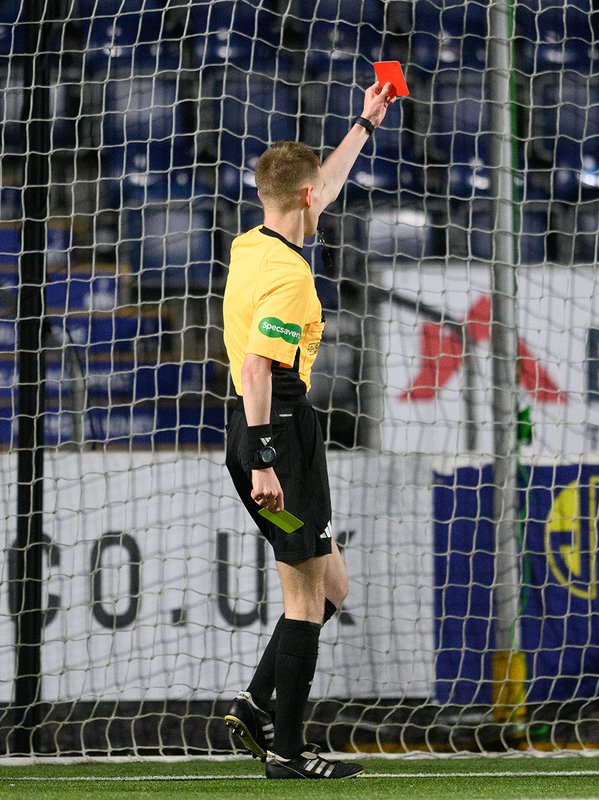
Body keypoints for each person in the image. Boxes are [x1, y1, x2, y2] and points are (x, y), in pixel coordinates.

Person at [219, 80, 395, 780]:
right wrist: (267, 461)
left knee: (331, 589)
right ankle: (288, 752)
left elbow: (321, 184)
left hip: (268, 426)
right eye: (317, 190)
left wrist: (365, 123)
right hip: (277, 430)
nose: (325, 196)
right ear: (304, 199)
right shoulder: (292, 279)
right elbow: (260, 367)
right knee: (302, 598)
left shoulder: (252, 244)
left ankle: (260, 704)